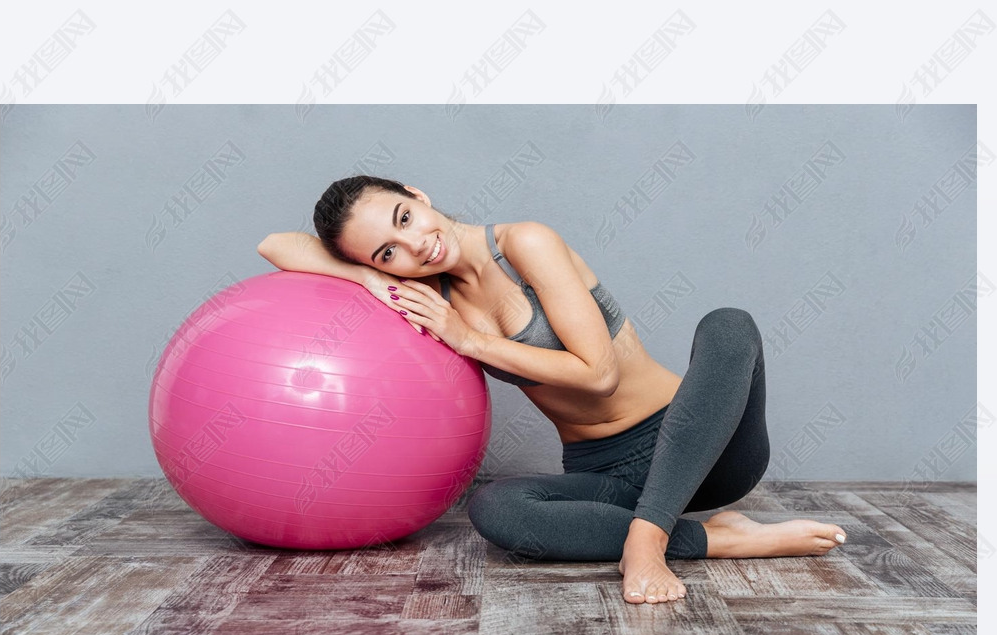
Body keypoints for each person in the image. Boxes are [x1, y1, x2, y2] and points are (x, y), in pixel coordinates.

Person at [258, 175, 848, 606]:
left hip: (703, 448)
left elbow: (598, 373)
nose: (415, 247)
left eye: (404, 220)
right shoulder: (428, 294)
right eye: (389, 252)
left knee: (728, 324)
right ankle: (712, 539)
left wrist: (468, 339)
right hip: (609, 474)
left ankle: (649, 539)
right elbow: (276, 245)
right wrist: (366, 273)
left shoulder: (524, 244)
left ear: (417, 195)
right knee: (493, 508)